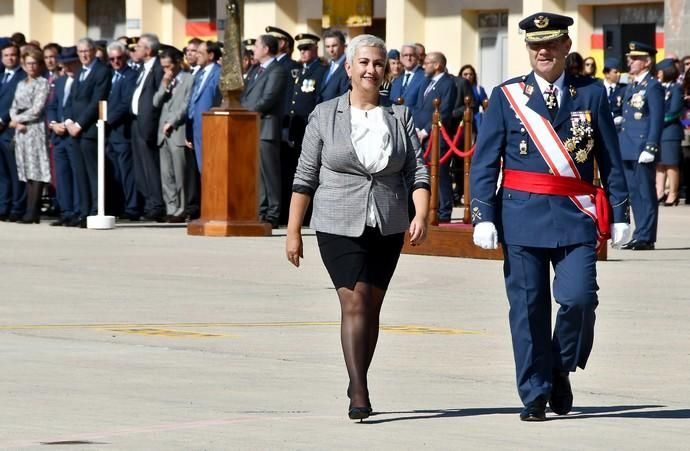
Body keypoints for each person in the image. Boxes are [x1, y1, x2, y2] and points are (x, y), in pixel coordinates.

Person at [469, 12, 630, 421]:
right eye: (535, 45)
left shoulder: (591, 94)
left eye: (552, 43)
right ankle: (535, 391)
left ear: (566, 47)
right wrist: (482, 214)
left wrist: (621, 211)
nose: (543, 51)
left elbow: (609, 157)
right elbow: (486, 162)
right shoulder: (509, 97)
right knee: (528, 309)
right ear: (528, 50)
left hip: (575, 215)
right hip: (521, 216)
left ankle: (560, 366)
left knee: (579, 300)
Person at [286, 34, 430, 421]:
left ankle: (356, 376)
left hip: (388, 221)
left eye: (379, 63)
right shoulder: (324, 113)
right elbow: (305, 175)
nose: (371, 70)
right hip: (336, 220)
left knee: (373, 306)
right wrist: (293, 230)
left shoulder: (401, 115)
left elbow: (417, 170)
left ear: (387, 70)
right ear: (349, 68)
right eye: (364, 63)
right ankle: (360, 391)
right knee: (354, 301)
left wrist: (421, 214)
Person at [618, 41, 664, 251]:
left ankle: (646, 236)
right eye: (630, 58)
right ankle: (639, 234)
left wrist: (651, 146)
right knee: (634, 193)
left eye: (635, 58)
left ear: (647, 62)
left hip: (642, 147)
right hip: (627, 146)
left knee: (645, 193)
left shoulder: (652, 86)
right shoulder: (633, 84)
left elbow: (656, 118)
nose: (630, 61)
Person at [240, 34, 288, 229]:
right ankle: (261, 211)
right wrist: (241, 110)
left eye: (257, 46)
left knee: (269, 173)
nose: (254, 50)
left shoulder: (277, 71)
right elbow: (246, 95)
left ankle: (273, 213)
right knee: (257, 173)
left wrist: (246, 113)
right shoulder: (256, 70)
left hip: (266, 129)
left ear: (267, 49)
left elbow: (268, 98)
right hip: (253, 128)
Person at [64, 37, 111, 227]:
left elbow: (96, 102)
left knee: (93, 173)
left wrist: (79, 124)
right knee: (79, 173)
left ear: (93, 51)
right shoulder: (79, 72)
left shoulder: (102, 71)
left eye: (87, 51)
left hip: (89, 130)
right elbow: (71, 100)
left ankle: (94, 211)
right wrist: (67, 121)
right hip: (73, 130)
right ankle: (83, 211)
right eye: (80, 52)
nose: (84, 55)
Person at [280, 33, 327, 225]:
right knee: (294, 172)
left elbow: (317, 99)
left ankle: (309, 215)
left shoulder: (321, 71)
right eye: (301, 49)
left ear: (316, 49)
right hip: (295, 128)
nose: (303, 52)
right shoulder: (298, 70)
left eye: (307, 48)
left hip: (309, 128)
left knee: (311, 172)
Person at [412, 51, 457, 222]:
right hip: (421, 136)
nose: (424, 65)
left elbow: (444, 112)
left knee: (441, 174)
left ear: (438, 65)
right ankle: (432, 208)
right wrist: (416, 128)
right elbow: (419, 107)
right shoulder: (426, 82)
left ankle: (444, 212)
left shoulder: (448, 84)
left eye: (428, 62)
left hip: (437, 137)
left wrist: (425, 131)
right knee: (426, 173)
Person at [9, 47, 50, 223]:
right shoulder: (20, 83)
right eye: (28, 64)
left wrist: (18, 119)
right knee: (25, 168)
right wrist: (14, 119)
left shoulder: (43, 83)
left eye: (34, 63)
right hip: (20, 130)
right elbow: (13, 105)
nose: (31, 67)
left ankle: (33, 211)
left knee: (37, 169)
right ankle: (28, 209)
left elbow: (37, 109)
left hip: (35, 128)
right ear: (23, 65)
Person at [153, 46, 193, 223]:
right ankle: (170, 207)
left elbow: (186, 105)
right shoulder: (165, 80)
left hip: (177, 130)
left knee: (180, 174)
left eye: (168, 66)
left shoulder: (188, 79)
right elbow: (155, 102)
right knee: (166, 174)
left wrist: (173, 121)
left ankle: (182, 208)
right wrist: (164, 85)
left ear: (178, 63)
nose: (166, 70)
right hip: (163, 133)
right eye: (163, 67)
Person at [130, 33, 165, 221]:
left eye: (139, 46)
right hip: (136, 122)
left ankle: (156, 205)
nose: (136, 49)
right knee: (141, 167)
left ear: (149, 50)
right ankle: (149, 203)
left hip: (148, 125)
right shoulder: (143, 68)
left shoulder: (157, 68)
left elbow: (158, 98)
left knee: (150, 166)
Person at [47, 46, 81, 226]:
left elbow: (80, 107)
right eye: (64, 64)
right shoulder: (60, 82)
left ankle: (77, 211)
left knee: (75, 174)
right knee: (62, 174)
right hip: (59, 135)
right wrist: (53, 123)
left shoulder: (81, 81)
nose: (67, 67)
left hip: (73, 134)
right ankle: (65, 211)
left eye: (70, 64)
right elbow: (52, 106)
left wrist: (68, 123)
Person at [106, 40, 139, 221]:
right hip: (108, 133)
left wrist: (108, 120)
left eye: (119, 58)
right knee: (114, 172)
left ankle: (132, 206)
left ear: (125, 57)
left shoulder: (130, 75)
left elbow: (126, 103)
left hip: (121, 131)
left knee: (126, 172)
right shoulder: (109, 74)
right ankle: (117, 205)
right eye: (112, 59)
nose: (116, 62)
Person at [0, 41, 27, 222]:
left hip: (10, 129)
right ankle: (4, 205)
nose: (10, 58)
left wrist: (2, 119)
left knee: (16, 172)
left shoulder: (22, 77)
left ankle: (18, 208)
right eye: (6, 55)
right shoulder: (2, 76)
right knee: (2, 173)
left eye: (13, 55)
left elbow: (17, 103)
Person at [655, 58, 684, 206]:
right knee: (659, 164)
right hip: (659, 131)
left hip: (670, 131)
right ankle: (659, 191)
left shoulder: (676, 88)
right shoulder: (660, 87)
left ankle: (673, 193)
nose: (658, 74)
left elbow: (675, 111)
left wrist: (657, 120)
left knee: (671, 164)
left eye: (660, 71)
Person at [389, 44, 425, 110]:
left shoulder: (425, 77)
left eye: (412, 55)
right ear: (401, 58)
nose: (408, 58)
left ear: (417, 57)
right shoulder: (397, 79)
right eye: (405, 55)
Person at [318, 30, 349, 102]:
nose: (331, 50)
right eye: (327, 46)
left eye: (334, 46)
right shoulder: (328, 66)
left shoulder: (348, 67)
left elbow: (344, 97)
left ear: (343, 46)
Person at [458, 64, 488, 129]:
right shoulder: (456, 88)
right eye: (465, 74)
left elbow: (486, 106)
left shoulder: (479, 89)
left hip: (474, 122)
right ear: (460, 75)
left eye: (471, 74)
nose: (468, 76)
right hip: (458, 122)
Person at [602, 57, 626, 123]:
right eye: (615, 72)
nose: (619, 74)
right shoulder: (598, 88)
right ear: (607, 74)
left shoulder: (624, 89)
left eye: (619, 72)